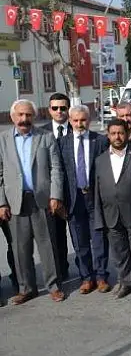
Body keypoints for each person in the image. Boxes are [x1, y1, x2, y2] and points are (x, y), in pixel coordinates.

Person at [0, 100, 66, 305]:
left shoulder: (45, 137)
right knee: (20, 248)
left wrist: (55, 196)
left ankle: (54, 287)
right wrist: (2, 203)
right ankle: (26, 288)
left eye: (28, 115)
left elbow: (56, 168)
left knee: (47, 246)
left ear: (34, 117)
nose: (24, 119)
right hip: (15, 201)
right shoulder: (3, 140)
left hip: (41, 199)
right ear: (12, 117)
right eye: (20, 115)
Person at [94, 119, 131, 299]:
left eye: (121, 133)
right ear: (108, 135)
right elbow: (97, 191)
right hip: (111, 213)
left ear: (127, 134)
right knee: (119, 252)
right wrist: (99, 217)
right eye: (113, 133)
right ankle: (126, 282)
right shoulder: (100, 160)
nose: (117, 137)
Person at [59, 105, 111, 294]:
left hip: (95, 198)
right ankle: (86, 277)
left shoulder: (101, 141)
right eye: (76, 120)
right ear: (70, 121)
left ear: (89, 120)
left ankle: (101, 276)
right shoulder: (61, 143)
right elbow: (60, 172)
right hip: (74, 199)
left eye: (83, 120)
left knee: (99, 240)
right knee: (79, 242)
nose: (80, 124)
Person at [41, 92, 72, 280]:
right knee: (55, 234)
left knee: (79, 235)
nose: (59, 111)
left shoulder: (76, 127)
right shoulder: (41, 133)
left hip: (74, 191)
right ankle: (61, 270)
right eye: (55, 108)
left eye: (63, 108)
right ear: (49, 110)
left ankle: (88, 272)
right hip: (52, 192)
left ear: (68, 109)